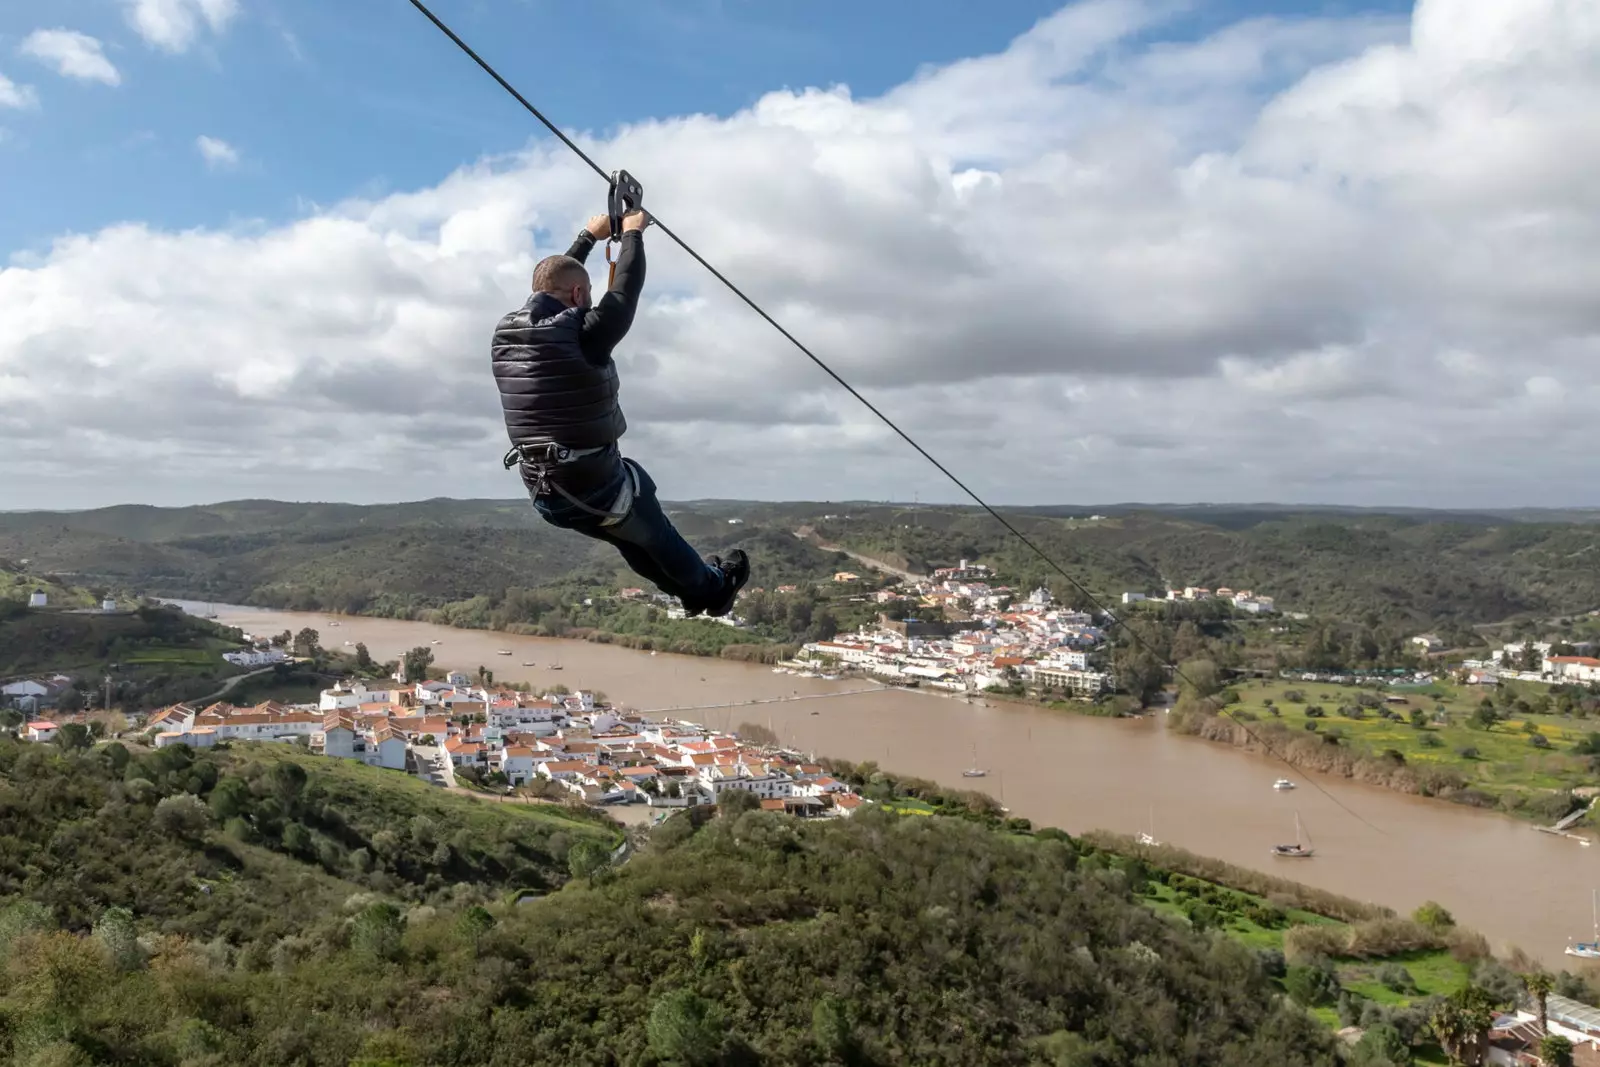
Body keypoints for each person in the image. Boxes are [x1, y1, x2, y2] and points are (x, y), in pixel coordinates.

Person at [491, 205, 749, 618]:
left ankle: (693, 592)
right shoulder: (586, 336)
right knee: (648, 519)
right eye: (586, 296)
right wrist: (633, 234)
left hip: (548, 495)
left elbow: (550, 280)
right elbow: (624, 292)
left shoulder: (507, 335)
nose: (590, 305)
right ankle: (714, 589)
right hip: (594, 488)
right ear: (578, 295)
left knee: (629, 536)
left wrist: (589, 236)